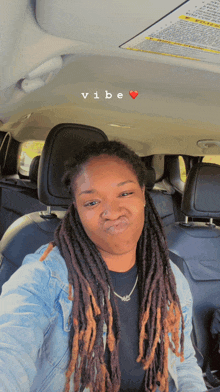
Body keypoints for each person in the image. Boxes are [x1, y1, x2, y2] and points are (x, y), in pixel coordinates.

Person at [0, 140, 206, 392]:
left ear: (143, 194)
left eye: (125, 193)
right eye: (92, 202)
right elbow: (8, 348)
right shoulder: (44, 276)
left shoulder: (169, 277)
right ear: (77, 208)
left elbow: (183, 362)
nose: (111, 211)